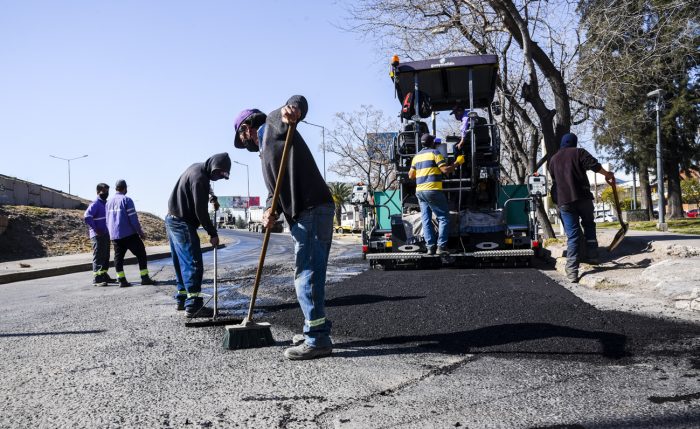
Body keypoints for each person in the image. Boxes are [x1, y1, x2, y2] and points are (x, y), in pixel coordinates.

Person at [233, 96, 335, 361]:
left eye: (241, 135)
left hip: (310, 209)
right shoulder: (267, 151)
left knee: (307, 276)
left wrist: (293, 109)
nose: (243, 142)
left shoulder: (271, 124)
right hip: (306, 213)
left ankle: (317, 340)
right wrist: (270, 210)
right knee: (309, 274)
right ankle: (315, 330)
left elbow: (294, 103)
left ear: (247, 128)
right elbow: (272, 192)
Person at [166, 153, 231, 317]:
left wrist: (212, 197)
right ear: (213, 166)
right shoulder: (200, 178)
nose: (218, 178)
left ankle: (182, 298)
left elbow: (203, 188)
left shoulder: (198, 169)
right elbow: (200, 212)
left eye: (222, 176)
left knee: (181, 262)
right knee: (192, 262)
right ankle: (194, 304)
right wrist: (212, 233)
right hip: (182, 223)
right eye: (218, 173)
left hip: (172, 219)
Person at [548, 133, 615, 283]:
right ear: (574, 143)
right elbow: (594, 165)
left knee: (573, 236)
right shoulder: (579, 152)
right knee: (589, 224)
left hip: (564, 201)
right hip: (583, 198)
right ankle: (592, 256)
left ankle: (572, 271)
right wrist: (607, 174)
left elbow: (554, 180)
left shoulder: (553, 160)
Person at [408, 134, 464, 255]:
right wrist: (457, 163)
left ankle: (430, 247)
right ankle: (441, 247)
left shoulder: (416, 156)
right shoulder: (435, 153)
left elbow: (411, 175)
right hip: (432, 190)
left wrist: (424, 172)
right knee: (443, 218)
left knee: (426, 219)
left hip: (420, 191)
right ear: (433, 142)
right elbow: (445, 170)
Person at [105, 180, 155, 287]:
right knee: (141, 253)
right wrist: (140, 232)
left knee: (118, 258)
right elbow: (133, 219)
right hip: (129, 234)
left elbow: (107, 219)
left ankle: (121, 280)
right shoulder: (127, 200)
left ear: (116, 188)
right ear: (125, 188)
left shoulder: (108, 202)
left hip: (115, 235)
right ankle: (144, 277)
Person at [84, 183, 116, 286]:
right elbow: (87, 216)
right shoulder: (95, 203)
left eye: (107, 191)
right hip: (97, 235)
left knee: (106, 255)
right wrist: (95, 229)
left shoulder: (105, 203)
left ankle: (104, 275)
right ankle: (97, 278)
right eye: (104, 191)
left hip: (106, 234)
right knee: (98, 256)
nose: (106, 193)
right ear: (98, 192)